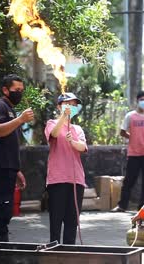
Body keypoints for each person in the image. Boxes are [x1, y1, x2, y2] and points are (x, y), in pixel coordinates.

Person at [0, 74, 33, 242]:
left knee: (6, 210)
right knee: (1, 208)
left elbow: (8, 144)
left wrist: (16, 169)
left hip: (8, 168)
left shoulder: (10, 109)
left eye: (21, 90)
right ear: (5, 90)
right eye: (16, 90)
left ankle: (1, 243)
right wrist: (20, 119)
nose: (19, 93)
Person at [44, 92, 87, 244]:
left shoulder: (77, 129)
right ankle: (53, 254)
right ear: (59, 106)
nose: (72, 107)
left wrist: (73, 142)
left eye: (74, 105)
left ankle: (69, 253)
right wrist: (63, 118)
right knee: (56, 221)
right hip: (57, 179)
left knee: (72, 222)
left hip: (76, 181)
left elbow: (82, 147)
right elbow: (54, 134)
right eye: (68, 104)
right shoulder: (51, 123)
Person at [111, 91, 144, 212]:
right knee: (129, 180)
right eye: (142, 99)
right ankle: (122, 205)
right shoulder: (130, 116)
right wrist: (132, 137)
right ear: (137, 101)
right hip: (134, 153)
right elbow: (122, 131)